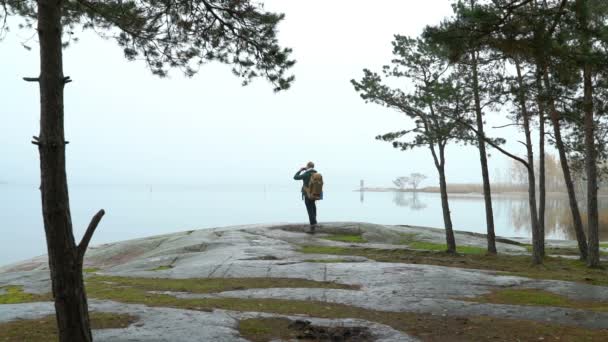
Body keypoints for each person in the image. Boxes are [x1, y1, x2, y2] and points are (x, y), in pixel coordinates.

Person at [294, 161, 318, 233]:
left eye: (306, 166)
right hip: (314, 194)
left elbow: (295, 177)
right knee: (313, 207)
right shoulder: (316, 173)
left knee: (309, 209)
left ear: (308, 166)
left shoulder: (307, 174)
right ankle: (315, 222)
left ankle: (312, 225)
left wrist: (300, 170)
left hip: (307, 194)